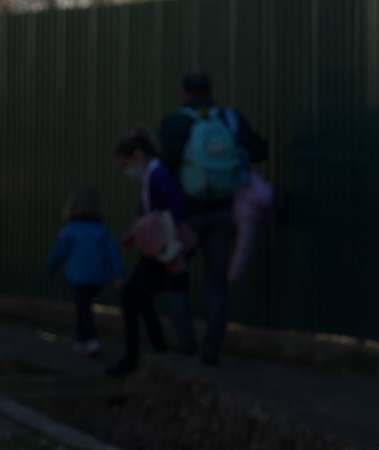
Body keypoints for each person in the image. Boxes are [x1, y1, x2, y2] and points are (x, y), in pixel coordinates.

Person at [158, 71, 268, 364]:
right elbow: (260, 149)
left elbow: (165, 168)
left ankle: (185, 338)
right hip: (224, 211)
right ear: (210, 91)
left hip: (184, 214)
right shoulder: (230, 119)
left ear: (184, 93)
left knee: (176, 274)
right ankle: (212, 347)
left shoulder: (174, 123)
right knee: (216, 282)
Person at [109, 128, 189, 376]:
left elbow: (175, 207)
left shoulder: (157, 175)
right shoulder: (152, 176)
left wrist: (156, 230)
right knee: (139, 297)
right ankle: (156, 348)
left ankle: (135, 356)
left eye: (125, 165)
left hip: (161, 249)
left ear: (137, 155)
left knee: (131, 295)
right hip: (158, 249)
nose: (126, 172)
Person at [46, 187, 123, 356]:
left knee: (83, 308)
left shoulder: (70, 230)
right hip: (98, 277)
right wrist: (118, 274)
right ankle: (82, 339)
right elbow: (112, 253)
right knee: (83, 306)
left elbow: (59, 252)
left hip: (79, 277)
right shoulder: (101, 229)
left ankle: (90, 340)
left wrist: (51, 267)